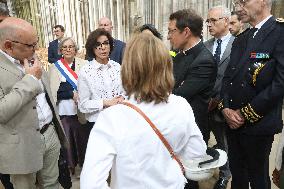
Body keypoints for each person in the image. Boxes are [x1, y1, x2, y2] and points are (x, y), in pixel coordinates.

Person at [80, 32, 207, 189]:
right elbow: (196, 155)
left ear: (128, 69)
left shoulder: (111, 118)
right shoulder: (181, 106)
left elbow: (91, 183)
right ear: (166, 66)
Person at [218, 0, 284, 188]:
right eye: (237, 2)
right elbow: (227, 78)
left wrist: (244, 113)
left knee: (258, 178)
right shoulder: (241, 38)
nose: (238, 7)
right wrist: (225, 108)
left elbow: (280, 84)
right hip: (232, 123)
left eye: (243, 1)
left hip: (259, 123)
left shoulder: (280, 32)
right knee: (237, 176)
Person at [0, 17, 67, 189]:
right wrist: (30, 79)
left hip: (49, 133)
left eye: (36, 43)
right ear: (8, 45)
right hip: (21, 144)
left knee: (52, 183)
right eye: (30, 45)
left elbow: (45, 95)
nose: (36, 49)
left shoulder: (30, 56)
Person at [167, 9, 216, 189]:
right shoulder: (180, 55)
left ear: (186, 31)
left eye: (172, 31)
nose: (168, 36)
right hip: (174, 127)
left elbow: (178, 94)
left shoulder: (204, 60)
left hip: (190, 131)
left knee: (188, 181)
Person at [78, 28, 124, 164]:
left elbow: (125, 92)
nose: (103, 48)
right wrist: (105, 102)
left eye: (106, 43)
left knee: (120, 162)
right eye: (98, 44)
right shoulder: (86, 71)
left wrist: (123, 98)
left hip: (119, 122)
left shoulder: (118, 67)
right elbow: (83, 105)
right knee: (103, 164)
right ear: (92, 48)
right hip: (98, 125)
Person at [204, 6, 234, 189]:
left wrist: (220, 102)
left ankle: (225, 174)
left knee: (224, 144)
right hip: (204, 105)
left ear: (226, 21)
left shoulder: (238, 44)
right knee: (202, 141)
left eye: (213, 20)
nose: (209, 24)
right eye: (208, 21)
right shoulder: (205, 46)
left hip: (226, 107)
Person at [48, 37, 87, 176]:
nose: (68, 49)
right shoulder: (54, 67)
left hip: (81, 111)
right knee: (68, 143)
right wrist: (70, 93)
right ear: (60, 50)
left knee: (82, 141)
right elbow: (53, 90)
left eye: (71, 46)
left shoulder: (85, 64)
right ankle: (71, 167)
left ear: (75, 49)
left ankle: (84, 166)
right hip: (64, 112)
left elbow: (89, 86)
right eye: (65, 47)